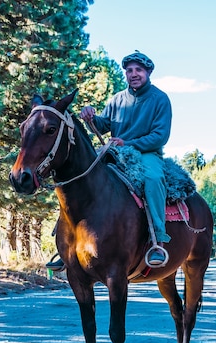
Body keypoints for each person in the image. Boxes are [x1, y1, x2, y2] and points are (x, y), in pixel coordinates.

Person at [46, 50, 172, 270]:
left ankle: (157, 241)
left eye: (138, 70)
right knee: (80, 179)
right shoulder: (118, 99)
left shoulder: (160, 99)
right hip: (114, 151)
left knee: (153, 179)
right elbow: (103, 124)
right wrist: (90, 117)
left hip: (146, 153)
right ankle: (66, 244)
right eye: (129, 70)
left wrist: (128, 143)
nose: (133, 74)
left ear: (148, 72)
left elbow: (160, 135)